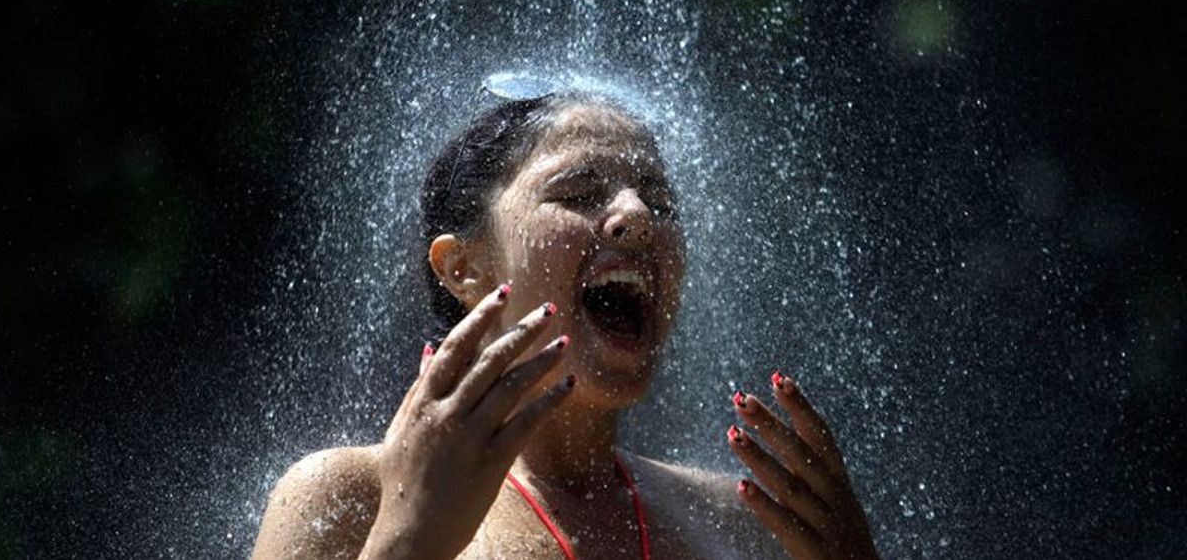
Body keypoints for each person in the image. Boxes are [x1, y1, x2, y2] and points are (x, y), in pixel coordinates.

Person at [251, 88, 880, 559]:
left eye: (658, 200)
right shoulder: (347, 499)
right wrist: (409, 539)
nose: (639, 216)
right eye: (578, 194)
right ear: (462, 267)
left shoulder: (743, 521)